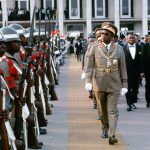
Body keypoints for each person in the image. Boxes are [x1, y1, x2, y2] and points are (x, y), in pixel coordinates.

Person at [85, 22, 127, 145]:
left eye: (106, 34)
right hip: (99, 83)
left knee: (112, 110)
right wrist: (88, 81)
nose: (103, 35)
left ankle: (112, 134)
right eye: (102, 33)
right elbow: (89, 66)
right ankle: (105, 128)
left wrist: (125, 85)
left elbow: (122, 68)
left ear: (112, 37)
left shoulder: (119, 49)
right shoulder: (94, 47)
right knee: (102, 110)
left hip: (114, 83)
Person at [123, 33, 142, 111]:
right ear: (127, 39)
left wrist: (142, 71)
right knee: (128, 88)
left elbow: (142, 60)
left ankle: (133, 102)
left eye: (133, 38)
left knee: (135, 88)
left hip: (137, 72)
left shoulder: (140, 48)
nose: (131, 39)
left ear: (135, 39)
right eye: (130, 38)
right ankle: (129, 104)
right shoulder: (123, 48)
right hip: (127, 72)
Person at [141, 35, 150, 108]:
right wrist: (143, 71)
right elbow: (142, 59)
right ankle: (148, 101)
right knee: (148, 87)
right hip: (148, 71)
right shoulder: (145, 46)